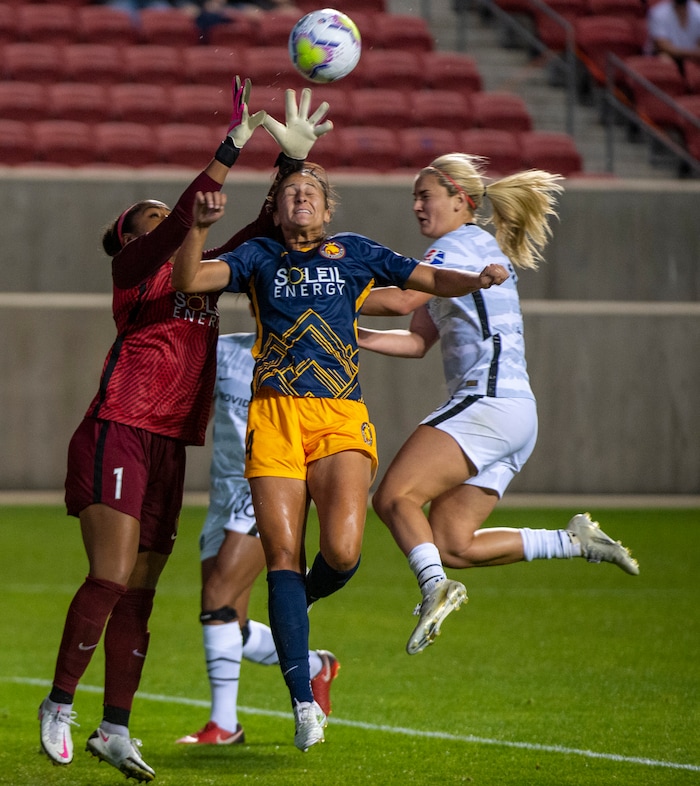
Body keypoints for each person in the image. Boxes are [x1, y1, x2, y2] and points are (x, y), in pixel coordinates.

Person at [168, 121, 510, 752]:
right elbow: (189, 280)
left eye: (312, 191)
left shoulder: (354, 252)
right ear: (274, 208)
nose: (301, 196)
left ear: (328, 210)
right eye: (290, 190)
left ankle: (293, 612)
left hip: (337, 416)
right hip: (272, 417)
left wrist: (478, 278)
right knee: (282, 557)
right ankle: (304, 701)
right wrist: (198, 228)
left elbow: (426, 284)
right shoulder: (257, 258)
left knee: (345, 552)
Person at [36, 78, 331, 780]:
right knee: (110, 575)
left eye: (164, 212)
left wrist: (289, 162)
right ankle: (58, 704)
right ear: (131, 237)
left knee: (141, 592)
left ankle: (115, 728)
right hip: (118, 428)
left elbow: (264, 232)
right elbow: (179, 229)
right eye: (150, 215)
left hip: (169, 445)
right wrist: (230, 145)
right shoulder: (134, 269)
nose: (162, 216)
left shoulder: (196, 274)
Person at [356, 153, 640, 658]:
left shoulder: (456, 245)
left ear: (461, 200)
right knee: (451, 544)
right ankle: (572, 541)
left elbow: (400, 300)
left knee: (393, 499)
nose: (417, 206)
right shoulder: (468, 251)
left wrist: (318, 293)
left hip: (486, 402)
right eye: (414, 198)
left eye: (426, 196)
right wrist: (351, 333)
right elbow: (417, 340)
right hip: (514, 415)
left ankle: (433, 589)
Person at [175, 331, 339, 746]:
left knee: (217, 600)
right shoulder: (222, 348)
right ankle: (316, 664)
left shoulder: (305, 350)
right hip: (223, 492)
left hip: (267, 484)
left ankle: (224, 724)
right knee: (234, 624)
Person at [647, 0, 700, 76]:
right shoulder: (658, 12)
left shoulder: (698, 11)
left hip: (691, 58)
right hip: (666, 56)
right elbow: (662, 46)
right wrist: (694, 53)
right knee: (665, 58)